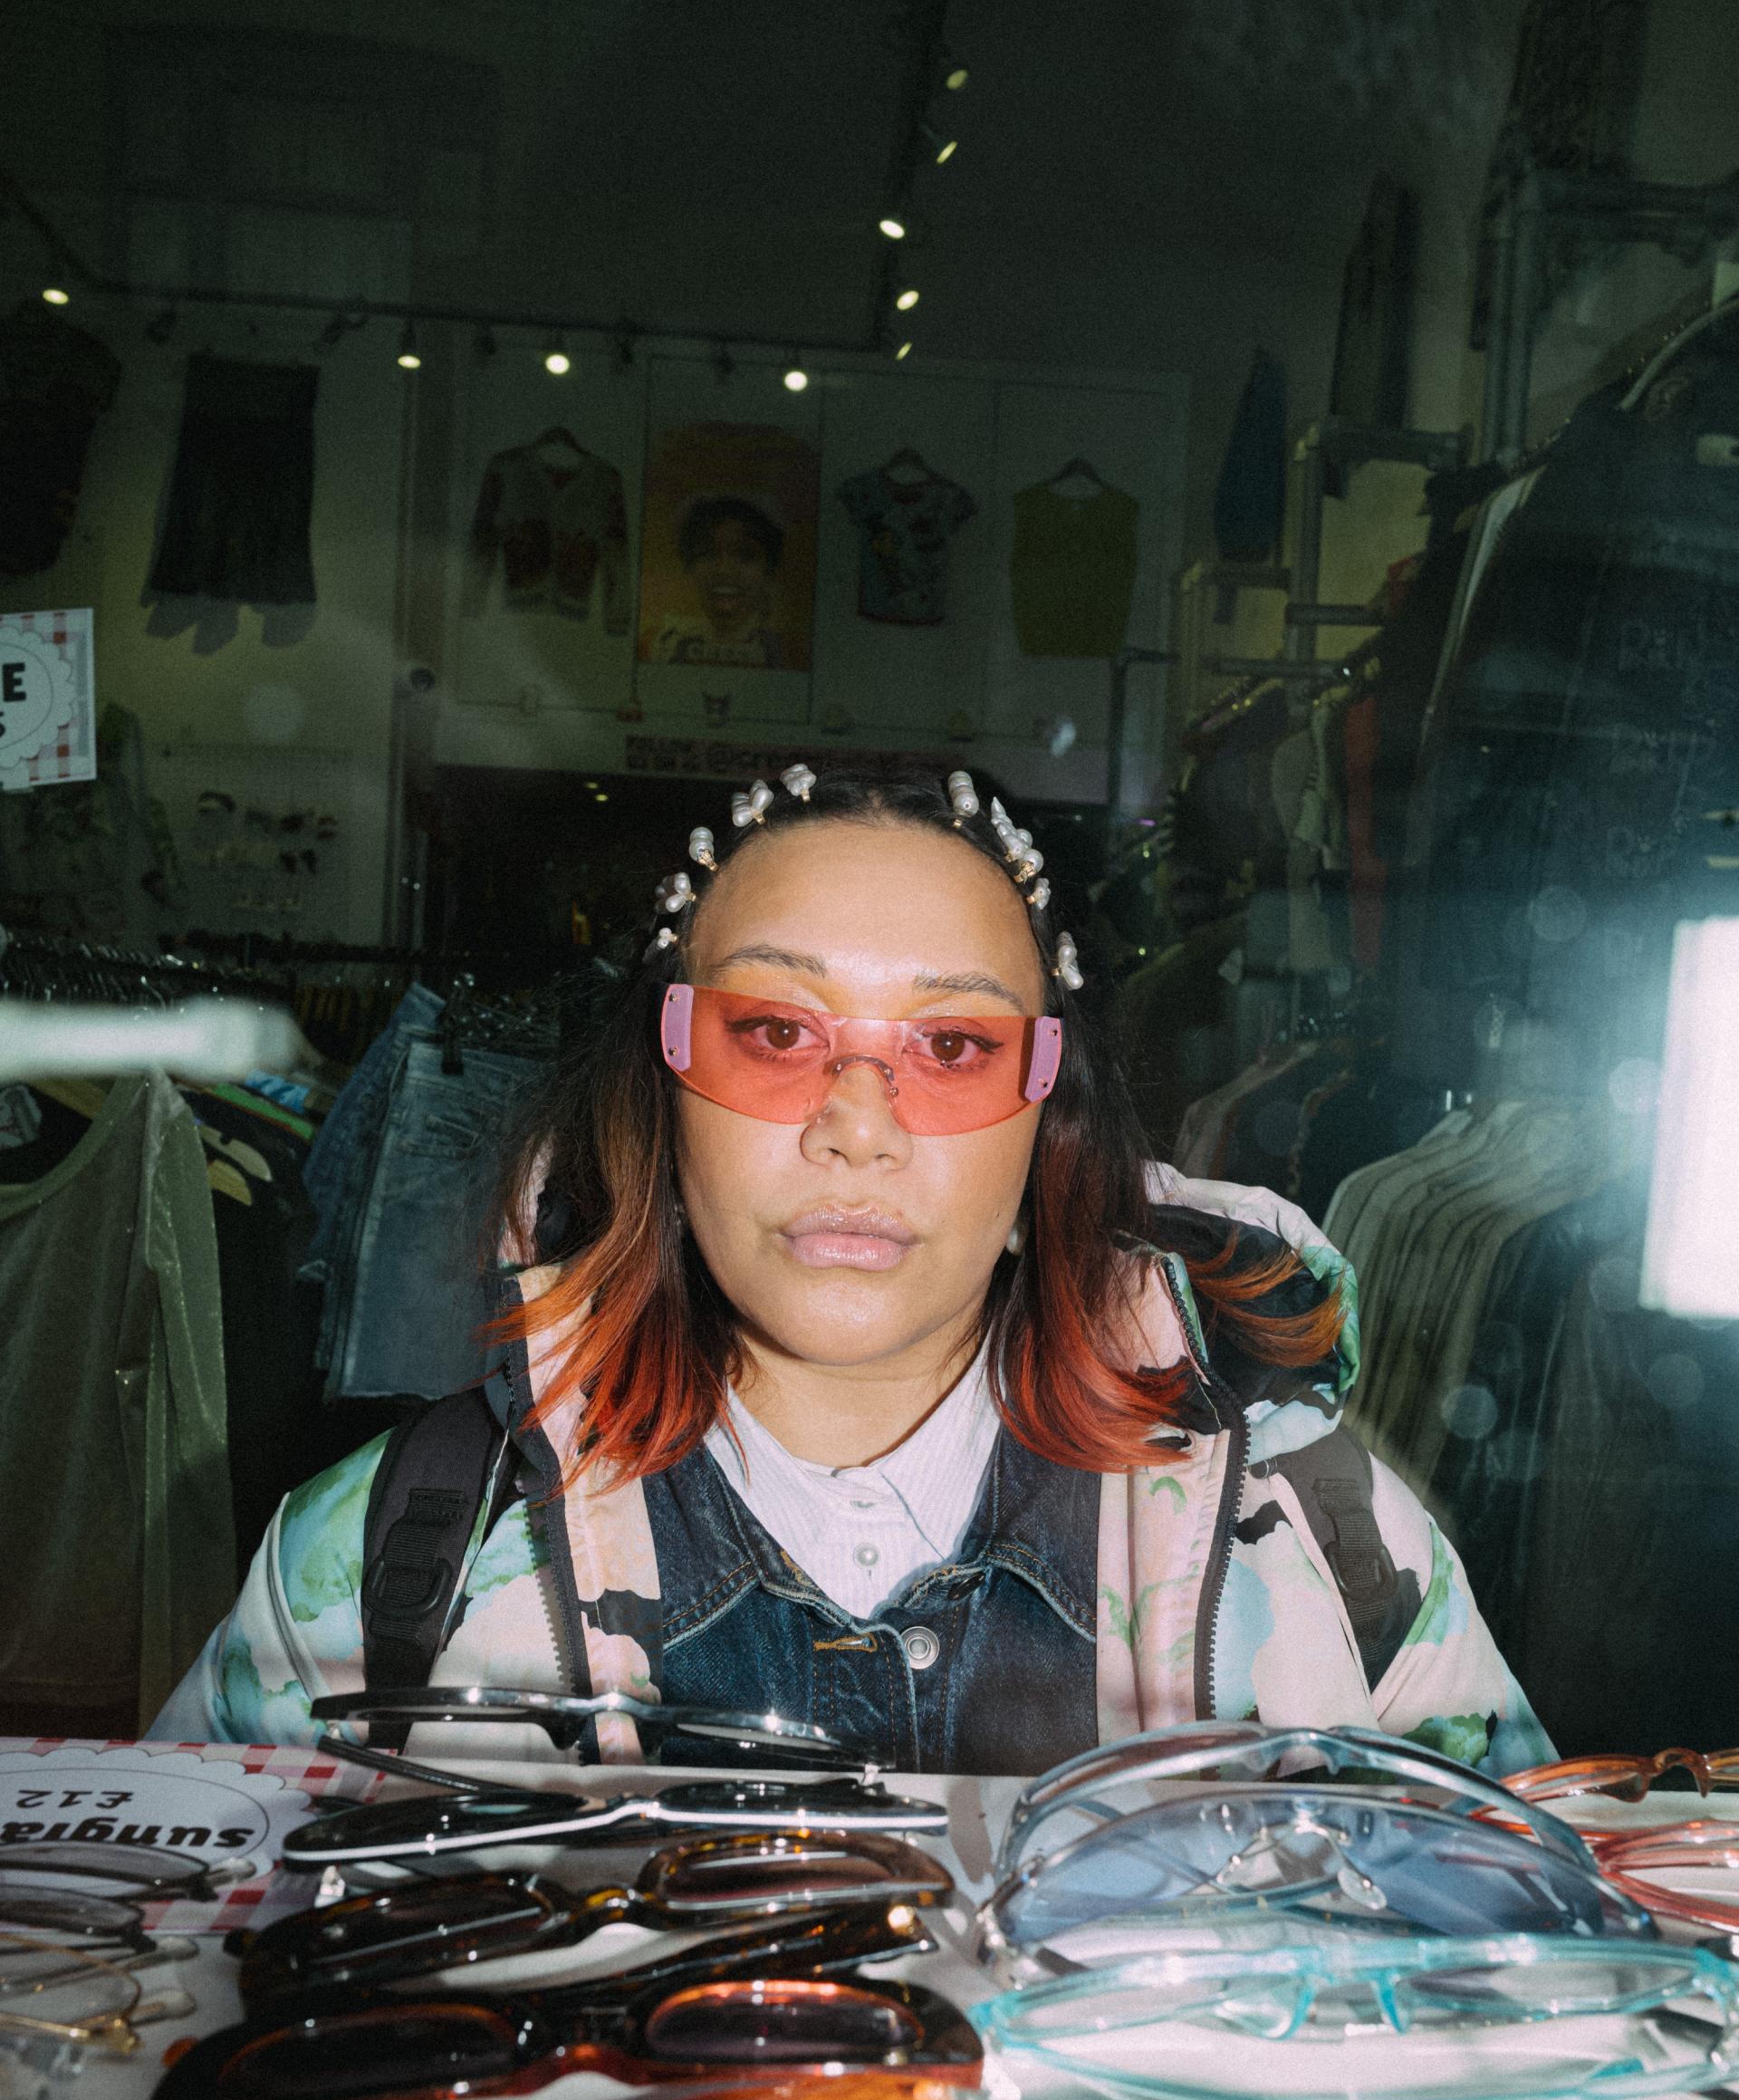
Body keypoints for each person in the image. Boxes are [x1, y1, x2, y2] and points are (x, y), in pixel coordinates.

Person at [151, 762, 1550, 1776]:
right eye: (775, 1033)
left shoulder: (1320, 1540)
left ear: (1044, 1121)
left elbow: (1534, 1975)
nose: (857, 1126)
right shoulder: (395, 1552)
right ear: (666, 1087)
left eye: (951, 1046)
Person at [648, 495, 786, 668]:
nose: (725, 570)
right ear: (689, 565)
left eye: (745, 555)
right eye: (708, 554)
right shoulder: (657, 646)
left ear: (768, 569)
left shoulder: (790, 652)